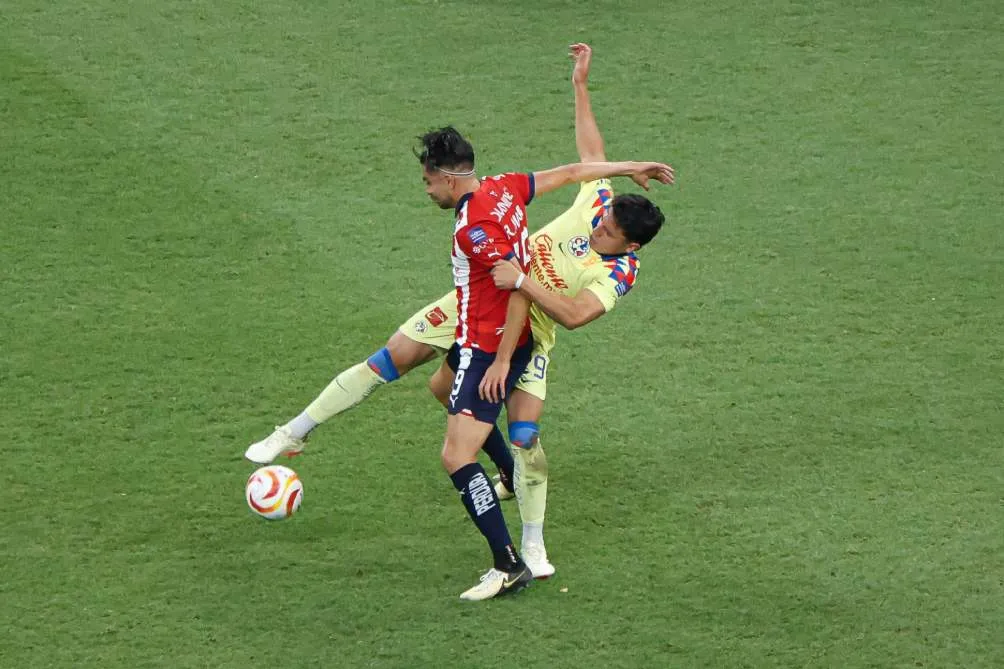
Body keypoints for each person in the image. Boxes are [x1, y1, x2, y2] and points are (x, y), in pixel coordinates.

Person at [244, 44, 672, 590]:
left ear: (629, 244)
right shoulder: (582, 204)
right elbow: (582, 161)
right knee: (409, 368)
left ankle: (526, 547)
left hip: (521, 326)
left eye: (607, 232)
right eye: (600, 219)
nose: (595, 229)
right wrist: (582, 89)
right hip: (477, 304)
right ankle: (294, 431)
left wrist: (520, 286)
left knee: (521, 438)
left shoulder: (615, 273)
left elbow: (568, 313)